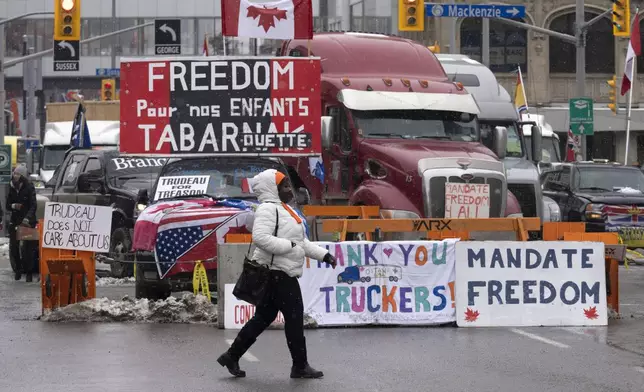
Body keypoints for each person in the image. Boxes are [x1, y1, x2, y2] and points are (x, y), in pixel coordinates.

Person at [217, 169, 337, 379]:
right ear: (273, 188)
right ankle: (299, 366)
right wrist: (288, 245)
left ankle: (231, 355)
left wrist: (324, 255)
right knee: (294, 318)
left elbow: (302, 243)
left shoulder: (283, 210)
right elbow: (261, 237)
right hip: (277, 273)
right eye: (285, 187)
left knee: (263, 317)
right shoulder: (267, 210)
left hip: (280, 272)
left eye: (288, 186)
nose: (289, 190)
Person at [6, 165, 37, 282]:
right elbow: (7, 205)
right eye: (15, 174)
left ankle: (29, 272)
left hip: (28, 221)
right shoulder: (11, 187)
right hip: (15, 220)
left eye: (18, 174)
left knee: (28, 248)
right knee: (14, 247)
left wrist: (28, 218)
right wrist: (14, 206)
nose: (15, 176)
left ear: (23, 176)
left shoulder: (29, 187)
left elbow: (33, 205)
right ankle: (18, 269)